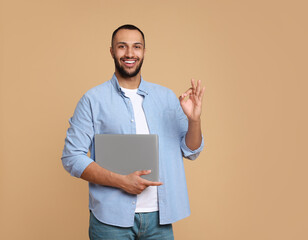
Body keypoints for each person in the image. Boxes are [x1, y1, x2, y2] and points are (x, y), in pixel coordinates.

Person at [61, 24, 205, 240]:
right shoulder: (92, 100)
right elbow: (72, 157)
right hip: (110, 221)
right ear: (112, 51)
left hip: (160, 220)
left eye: (136, 47)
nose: (130, 53)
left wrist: (194, 120)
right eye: (122, 46)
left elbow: (191, 150)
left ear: (144, 52)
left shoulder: (166, 98)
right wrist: (121, 181)